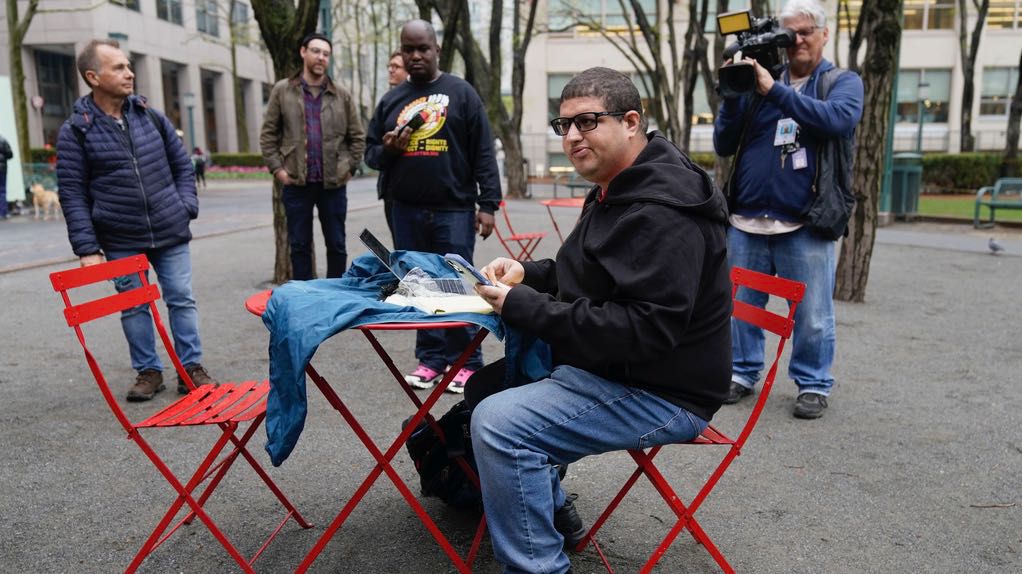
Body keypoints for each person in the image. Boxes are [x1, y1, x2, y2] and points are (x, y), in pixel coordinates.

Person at [468, 67, 733, 574]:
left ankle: (538, 566)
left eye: (586, 122)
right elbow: (584, 275)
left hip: (665, 390)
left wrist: (523, 306)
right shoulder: (617, 184)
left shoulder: (662, 209)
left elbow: (645, 330)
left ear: (630, 122)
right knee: (486, 388)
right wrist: (530, 274)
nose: (571, 137)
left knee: (501, 424)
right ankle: (553, 515)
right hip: (620, 369)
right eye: (562, 125)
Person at [713, 0, 863, 419]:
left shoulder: (841, 82)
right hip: (746, 221)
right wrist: (732, 94)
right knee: (741, 308)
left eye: (805, 32)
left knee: (813, 314)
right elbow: (724, 145)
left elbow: (836, 121)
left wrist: (772, 89)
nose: (796, 40)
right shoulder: (759, 83)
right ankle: (742, 373)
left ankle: (813, 382)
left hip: (805, 222)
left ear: (824, 34)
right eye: (789, 33)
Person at [56, 39, 218, 401]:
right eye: (118, 68)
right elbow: (72, 192)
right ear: (93, 77)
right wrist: (87, 247)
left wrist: (185, 206)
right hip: (120, 236)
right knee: (133, 305)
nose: (129, 73)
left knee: (181, 298)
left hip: (170, 227)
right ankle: (149, 371)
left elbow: (181, 166)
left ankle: (190, 367)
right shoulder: (75, 130)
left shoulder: (150, 115)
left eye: (128, 66)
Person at [365, 20, 501, 393]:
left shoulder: (462, 93)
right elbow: (371, 155)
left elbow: (483, 152)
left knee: (457, 283)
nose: (416, 56)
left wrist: (488, 203)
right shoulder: (391, 100)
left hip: (454, 208)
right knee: (418, 284)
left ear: (437, 49)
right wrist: (388, 150)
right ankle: (430, 360)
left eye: (422, 48)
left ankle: (468, 362)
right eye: (408, 49)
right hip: (405, 209)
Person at [260, 33, 366, 280]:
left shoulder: (341, 94)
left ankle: (336, 298)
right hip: (296, 183)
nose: (321, 58)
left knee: (337, 245)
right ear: (303, 52)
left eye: (326, 54)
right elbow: (268, 136)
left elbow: (357, 137)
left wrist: (349, 168)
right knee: (299, 246)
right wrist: (279, 170)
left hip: (333, 184)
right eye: (316, 51)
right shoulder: (283, 91)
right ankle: (305, 300)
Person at [377, 50, 410, 243]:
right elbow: (372, 149)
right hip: (392, 190)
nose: (391, 70)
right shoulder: (386, 103)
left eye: (396, 67)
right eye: (389, 66)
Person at [0, 133, 12, 219]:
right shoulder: (3, 140)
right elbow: (10, 154)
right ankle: (3, 212)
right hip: (2, 169)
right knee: (2, 191)